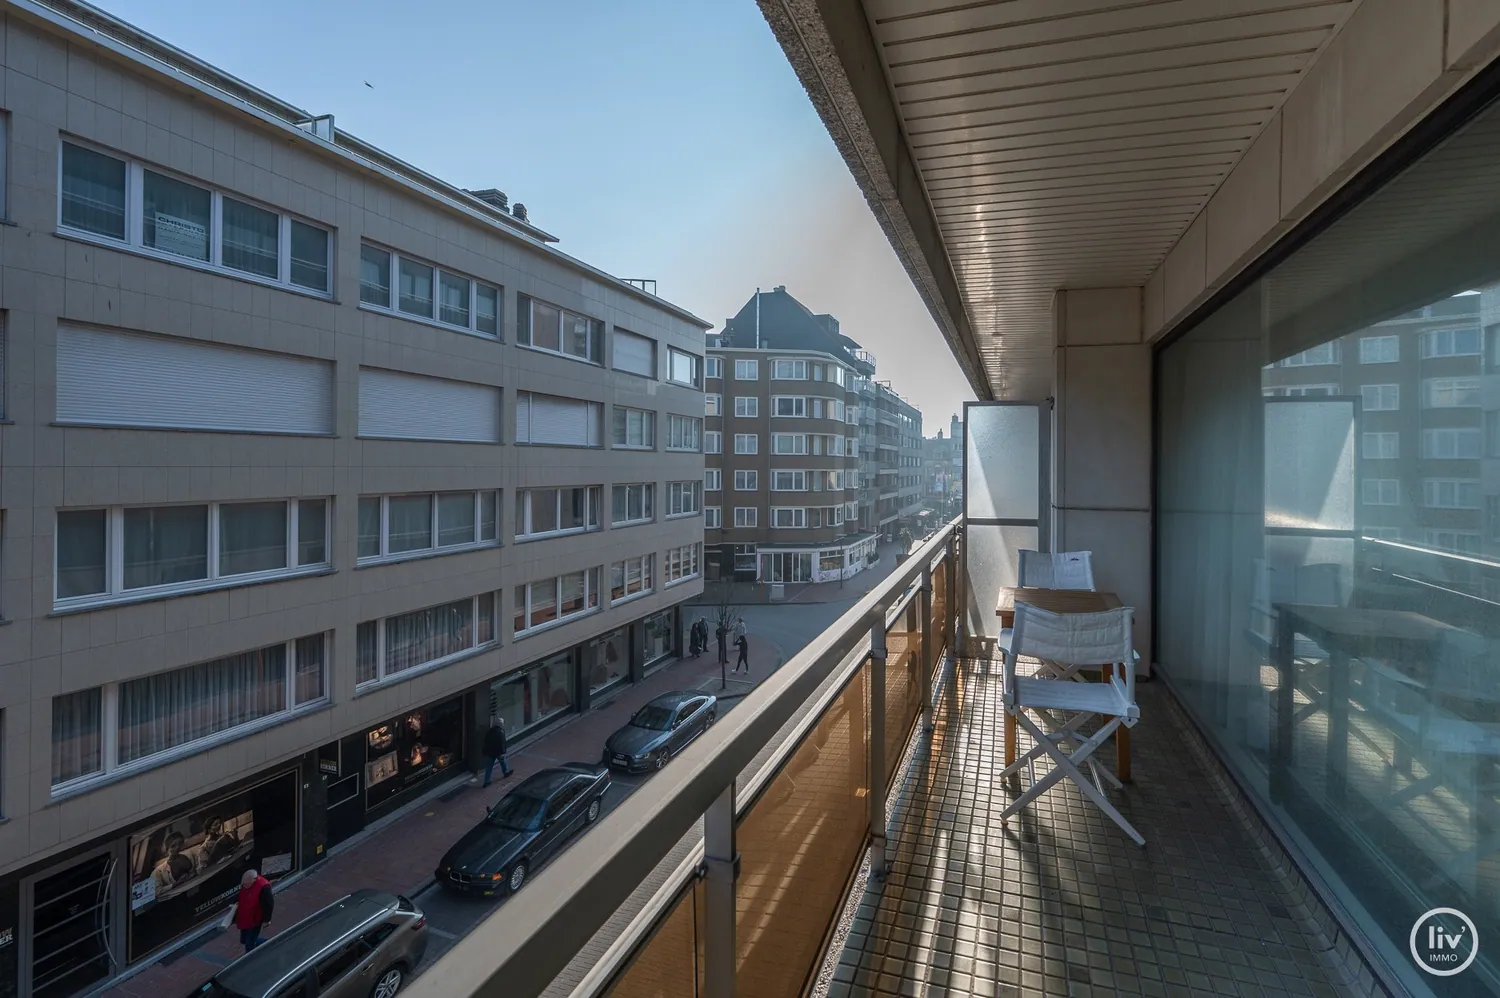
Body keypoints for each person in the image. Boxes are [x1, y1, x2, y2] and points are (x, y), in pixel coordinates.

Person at [234, 869, 274, 952]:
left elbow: (268, 904)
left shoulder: (264, 888)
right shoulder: (246, 883)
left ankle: (248, 961)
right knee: (244, 940)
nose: (244, 886)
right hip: (245, 916)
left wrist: (267, 920)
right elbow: (241, 895)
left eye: (246, 884)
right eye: (243, 884)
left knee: (249, 944)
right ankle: (268, 942)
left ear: (253, 880)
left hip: (255, 920)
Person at [483, 715, 512, 787]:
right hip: (498, 752)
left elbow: (486, 740)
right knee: (503, 761)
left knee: (489, 766)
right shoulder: (500, 732)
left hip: (490, 752)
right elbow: (501, 743)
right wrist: (503, 752)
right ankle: (505, 772)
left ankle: (486, 781)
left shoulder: (490, 731)